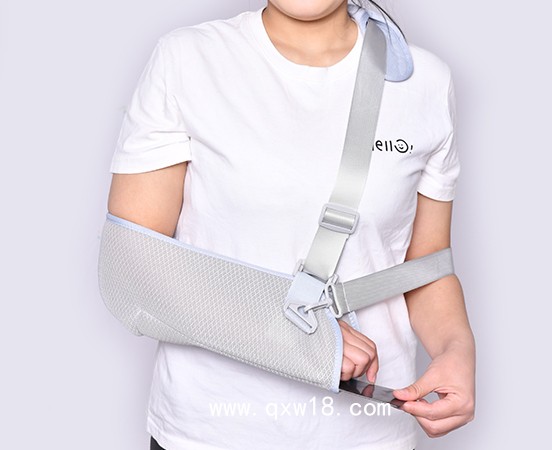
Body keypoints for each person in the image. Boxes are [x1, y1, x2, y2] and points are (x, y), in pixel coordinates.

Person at [105, 0, 476, 448]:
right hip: (211, 428)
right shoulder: (187, 59)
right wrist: (291, 332)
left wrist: (456, 349)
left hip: (368, 430)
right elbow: (133, 270)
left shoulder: (426, 81)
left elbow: (424, 265)